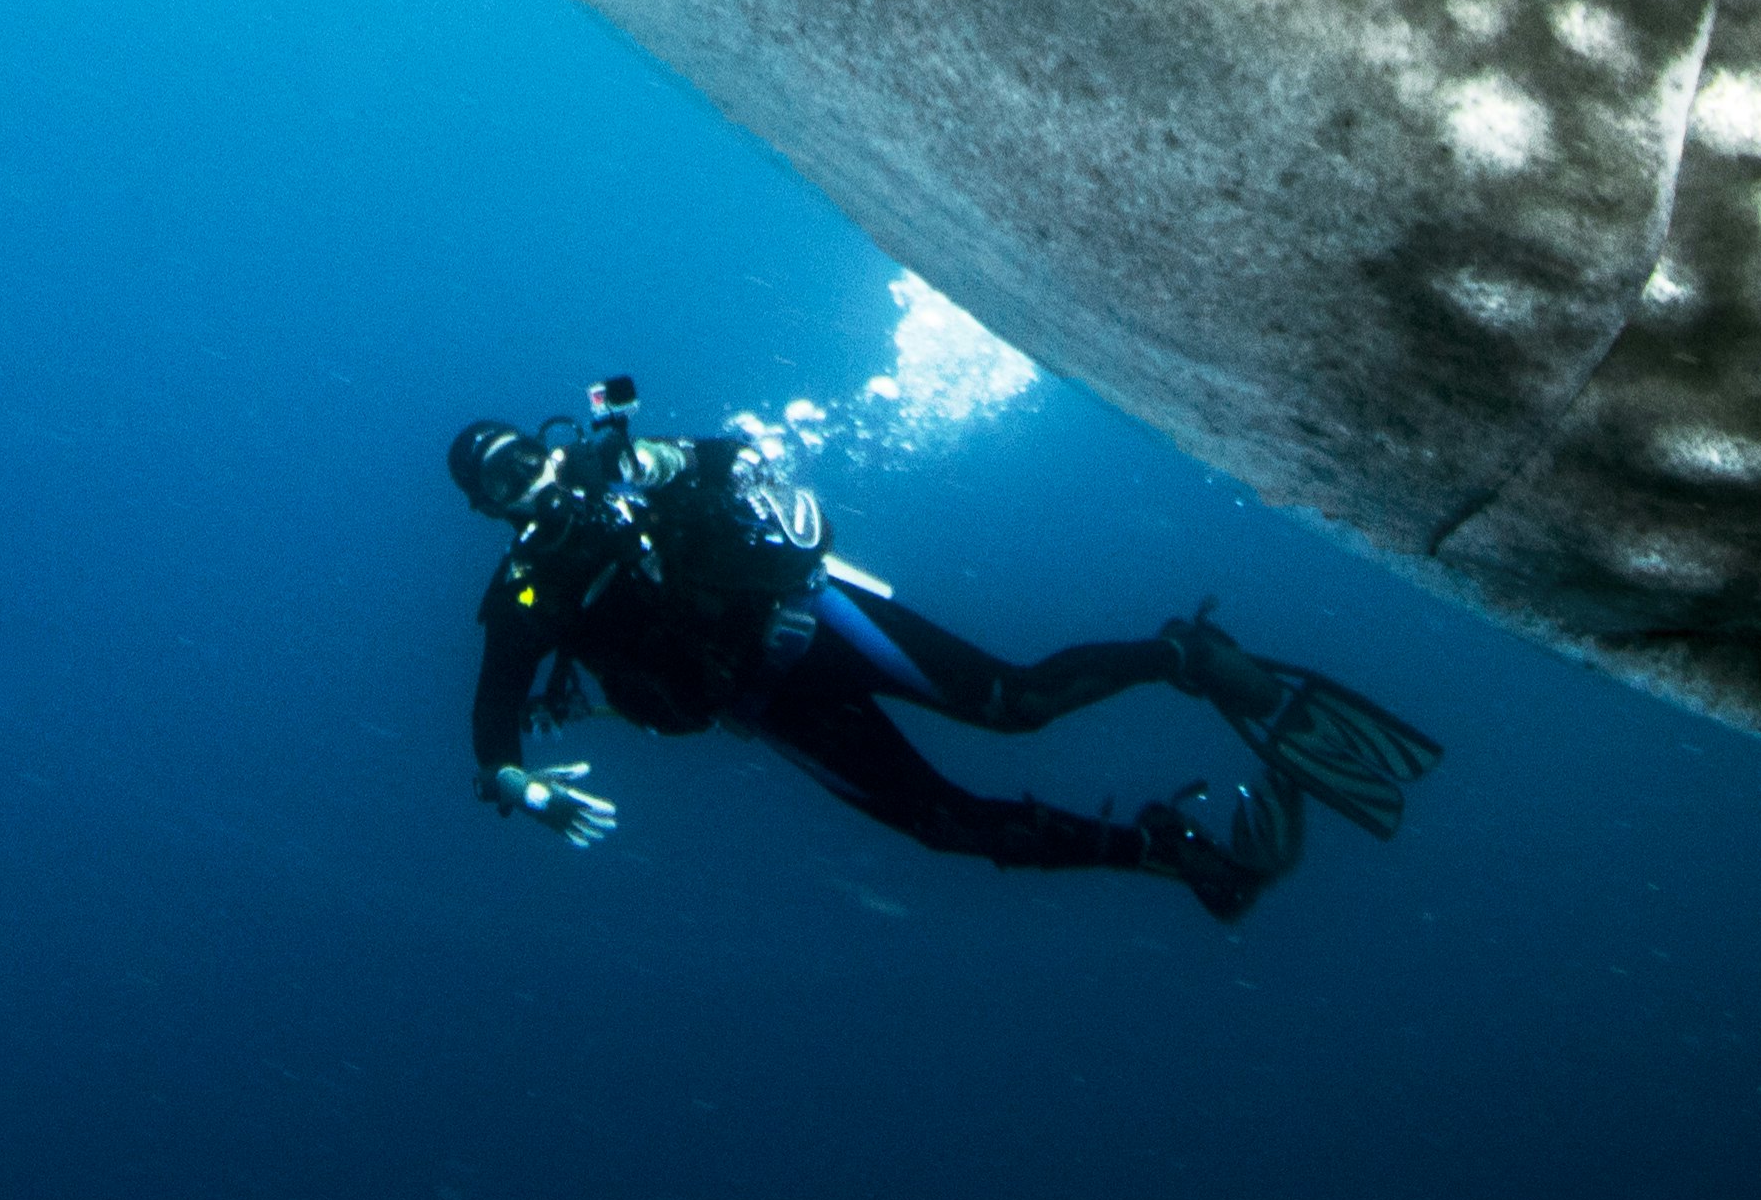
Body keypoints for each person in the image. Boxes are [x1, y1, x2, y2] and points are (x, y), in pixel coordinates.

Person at [455, 374, 1442, 922]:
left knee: (1014, 706)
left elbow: (718, 453)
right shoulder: (526, 592)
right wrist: (517, 783)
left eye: (524, 455)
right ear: (488, 509)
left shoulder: (622, 468)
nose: (529, 481)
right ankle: (1163, 851)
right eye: (502, 484)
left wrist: (661, 458)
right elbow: (491, 719)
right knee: (947, 826)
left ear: (546, 443)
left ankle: (1181, 656)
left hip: (818, 621)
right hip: (772, 709)